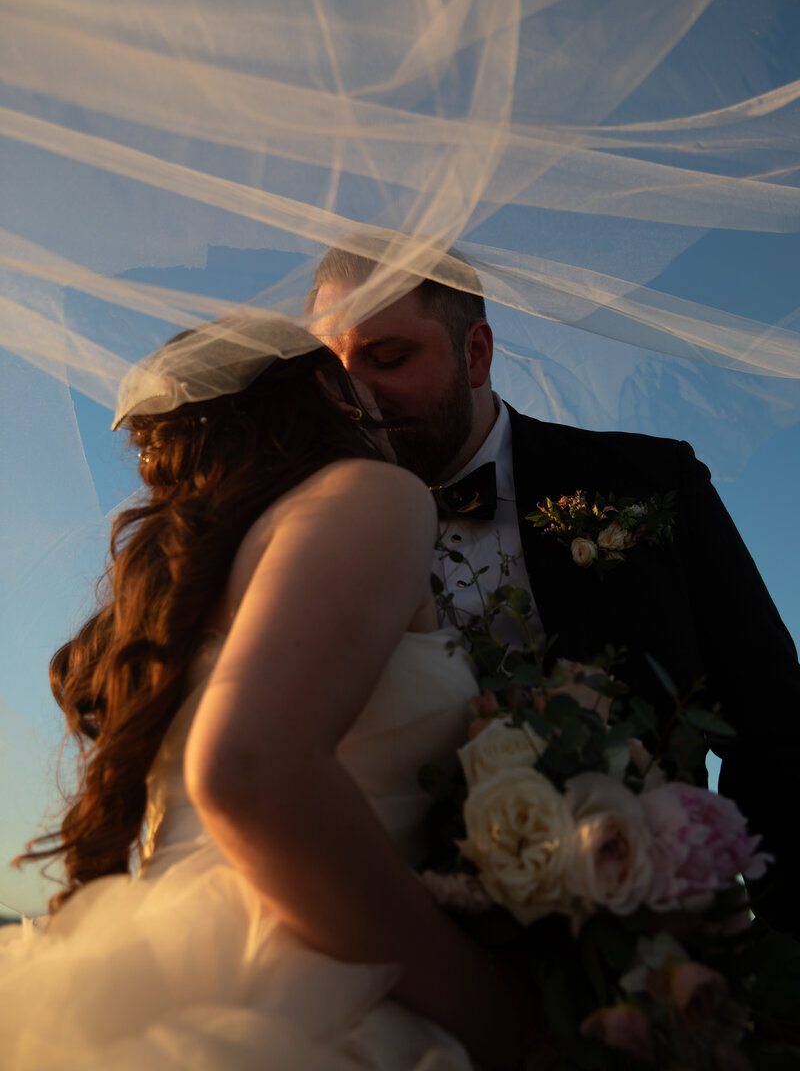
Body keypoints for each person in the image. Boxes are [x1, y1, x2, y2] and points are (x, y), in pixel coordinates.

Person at [0, 319, 542, 1070]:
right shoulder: (373, 494)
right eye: (357, 372)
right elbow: (246, 770)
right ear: (325, 392)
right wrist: (499, 1014)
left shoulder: (186, 586)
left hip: (157, 981)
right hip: (315, 1005)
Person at [310, 243, 800, 942]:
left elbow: (776, 731)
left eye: (387, 358)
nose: (355, 397)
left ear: (476, 353)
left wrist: (773, 978)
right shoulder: (306, 542)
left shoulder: (645, 484)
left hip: (650, 952)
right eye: (333, 373)